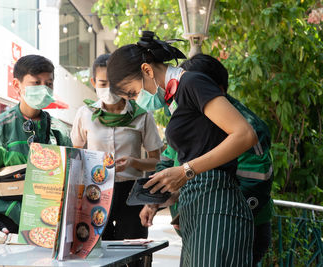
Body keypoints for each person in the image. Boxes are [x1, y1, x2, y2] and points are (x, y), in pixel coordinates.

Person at [107, 31, 258, 266]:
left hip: (216, 206)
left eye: (133, 92)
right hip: (199, 207)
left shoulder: (191, 82)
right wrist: (163, 196)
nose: (137, 100)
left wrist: (185, 171)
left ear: (147, 70)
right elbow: (202, 149)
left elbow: (245, 134)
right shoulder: (176, 98)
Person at [140, 54, 274, 266]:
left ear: (214, 89)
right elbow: (169, 160)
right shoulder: (187, 118)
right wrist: (158, 197)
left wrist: (216, 209)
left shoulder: (247, 126)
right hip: (199, 220)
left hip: (232, 222)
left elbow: (256, 182)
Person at [0, 55, 72, 246]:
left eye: (49, 83)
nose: (44, 89)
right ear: (16, 85)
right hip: (6, 230)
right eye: (36, 82)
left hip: (52, 229)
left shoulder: (59, 131)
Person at [70, 54, 163, 244]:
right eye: (103, 83)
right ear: (94, 82)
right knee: (95, 249)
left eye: (114, 83)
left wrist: (134, 162)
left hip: (131, 193)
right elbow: (75, 156)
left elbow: (156, 160)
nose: (109, 89)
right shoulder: (85, 114)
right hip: (95, 191)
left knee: (133, 252)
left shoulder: (141, 114)